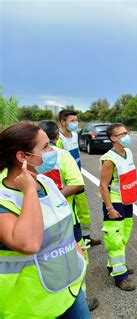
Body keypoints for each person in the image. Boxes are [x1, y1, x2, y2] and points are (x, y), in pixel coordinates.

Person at [0, 123, 89, 318]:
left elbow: (64, 228)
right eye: (46, 146)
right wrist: (29, 191)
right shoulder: (3, 199)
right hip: (31, 305)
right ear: (22, 156)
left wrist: (79, 259)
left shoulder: (47, 182)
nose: (53, 151)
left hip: (70, 290)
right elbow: (29, 243)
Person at [38, 120, 99, 312]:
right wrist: (51, 199)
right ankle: (79, 297)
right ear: (57, 136)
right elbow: (77, 183)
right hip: (66, 220)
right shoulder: (61, 155)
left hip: (41, 222)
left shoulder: (24, 159)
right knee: (76, 258)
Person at [99, 124, 137, 291]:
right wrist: (109, 208)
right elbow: (103, 185)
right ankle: (120, 276)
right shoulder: (109, 159)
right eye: (122, 134)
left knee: (124, 235)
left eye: (126, 132)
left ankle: (114, 265)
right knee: (115, 240)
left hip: (127, 201)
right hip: (115, 203)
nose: (126, 135)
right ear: (114, 138)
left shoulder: (128, 152)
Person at [57, 109, 101, 247]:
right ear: (63, 122)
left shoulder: (75, 136)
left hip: (77, 181)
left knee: (84, 210)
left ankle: (86, 237)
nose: (75, 123)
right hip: (67, 185)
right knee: (69, 213)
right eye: (72, 121)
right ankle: (71, 243)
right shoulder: (58, 140)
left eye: (76, 120)